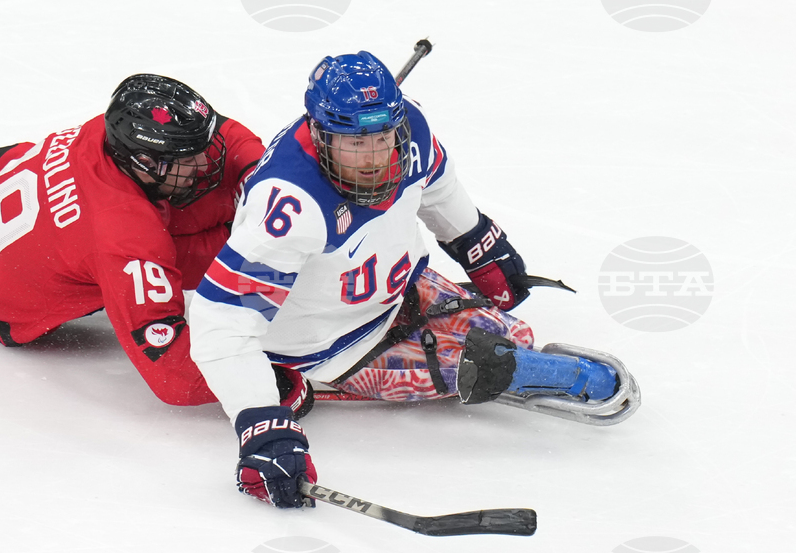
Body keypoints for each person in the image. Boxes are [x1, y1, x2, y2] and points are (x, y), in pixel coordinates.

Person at [188, 52, 622, 509]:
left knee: (513, 335)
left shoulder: (411, 127)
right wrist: (262, 427)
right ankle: (326, 374)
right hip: (334, 346)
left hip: (401, 290)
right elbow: (221, 323)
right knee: (494, 364)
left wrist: (477, 242)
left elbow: (438, 187)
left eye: (382, 137)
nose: (374, 158)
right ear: (318, 135)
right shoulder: (289, 207)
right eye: (354, 142)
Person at [0, 74, 271, 406]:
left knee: (215, 199)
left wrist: (262, 182)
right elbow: (177, 376)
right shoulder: (123, 237)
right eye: (188, 157)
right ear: (144, 162)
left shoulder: (123, 133)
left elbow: (222, 132)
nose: (204, 161)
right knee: (216, 231)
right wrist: (283, 380)